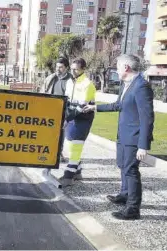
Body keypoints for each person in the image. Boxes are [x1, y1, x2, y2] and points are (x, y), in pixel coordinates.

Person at [83, 54, 154, 220]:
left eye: (117, 66)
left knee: (131, 170)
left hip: (134, 138)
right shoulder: (126, 85)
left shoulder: (141, 86)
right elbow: (118, 105)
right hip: (123, 135)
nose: (116, 69)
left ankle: (133, 209)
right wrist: (95, 108)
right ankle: (124, 195)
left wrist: (143, 145)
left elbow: (147, 117)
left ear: (126, 68)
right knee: (122, 165)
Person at [60, 58, 96, 187]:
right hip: (72, 117)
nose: (73, 71)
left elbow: (81, 106)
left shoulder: (88, 84)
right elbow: (67, 101)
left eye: (76, 69)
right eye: (72, 68)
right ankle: (78, 171)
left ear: (83, 69)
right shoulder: (70, 82)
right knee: (70, 145)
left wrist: (65, 119)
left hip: (83, 118)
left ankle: (68, 176)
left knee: (75, 147)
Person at [41, 57, 73, 163]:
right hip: (50, 110)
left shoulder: (71, 80)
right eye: (57, 67)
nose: (58, 69)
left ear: (66, 68)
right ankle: (48, 152)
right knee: (48, 132)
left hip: (63, 111)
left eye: (60, 67)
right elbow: (44, 91)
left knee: (60, 133)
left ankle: (58, 153)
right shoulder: (52, 78)